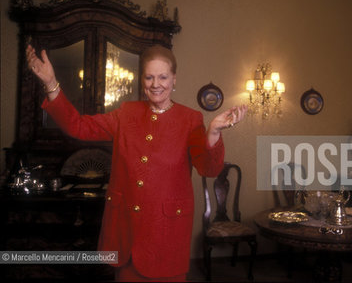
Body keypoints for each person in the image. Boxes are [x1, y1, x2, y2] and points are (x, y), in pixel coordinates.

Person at [26, 44, 247, 282]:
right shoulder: (125, 113)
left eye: (163, 77)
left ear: (174, 79)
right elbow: (78, 126)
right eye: (149, 77)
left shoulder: (190, 120)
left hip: (166, 236)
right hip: (126, 234)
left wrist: (213, 132)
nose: (156, 84)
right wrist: (51, 84)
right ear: (142, 79)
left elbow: (209, 169)